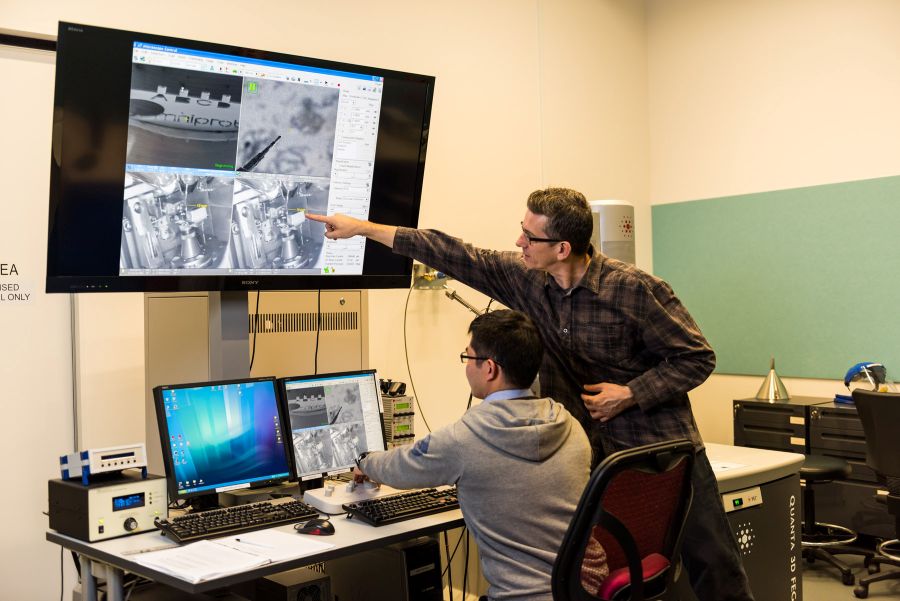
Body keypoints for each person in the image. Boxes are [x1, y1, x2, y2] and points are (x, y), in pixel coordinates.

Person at [309, 188, 754, 601]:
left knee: (713, 566)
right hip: (592, 454)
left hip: (659, 452)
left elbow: (696, 358)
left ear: (562, 248)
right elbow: (454, 253)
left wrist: (631, 393)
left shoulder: (634, 290)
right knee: (605, 575)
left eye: (529, 235)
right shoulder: (527, 279)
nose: (518, 242)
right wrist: (364, 228)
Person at [353, 309, 592, 601]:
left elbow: (399, 468)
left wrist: (364, 460)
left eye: (468, 358)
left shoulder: (464, 439)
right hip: (582, 592)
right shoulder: (572, 428)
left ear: (490, 368)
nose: (466, 367)